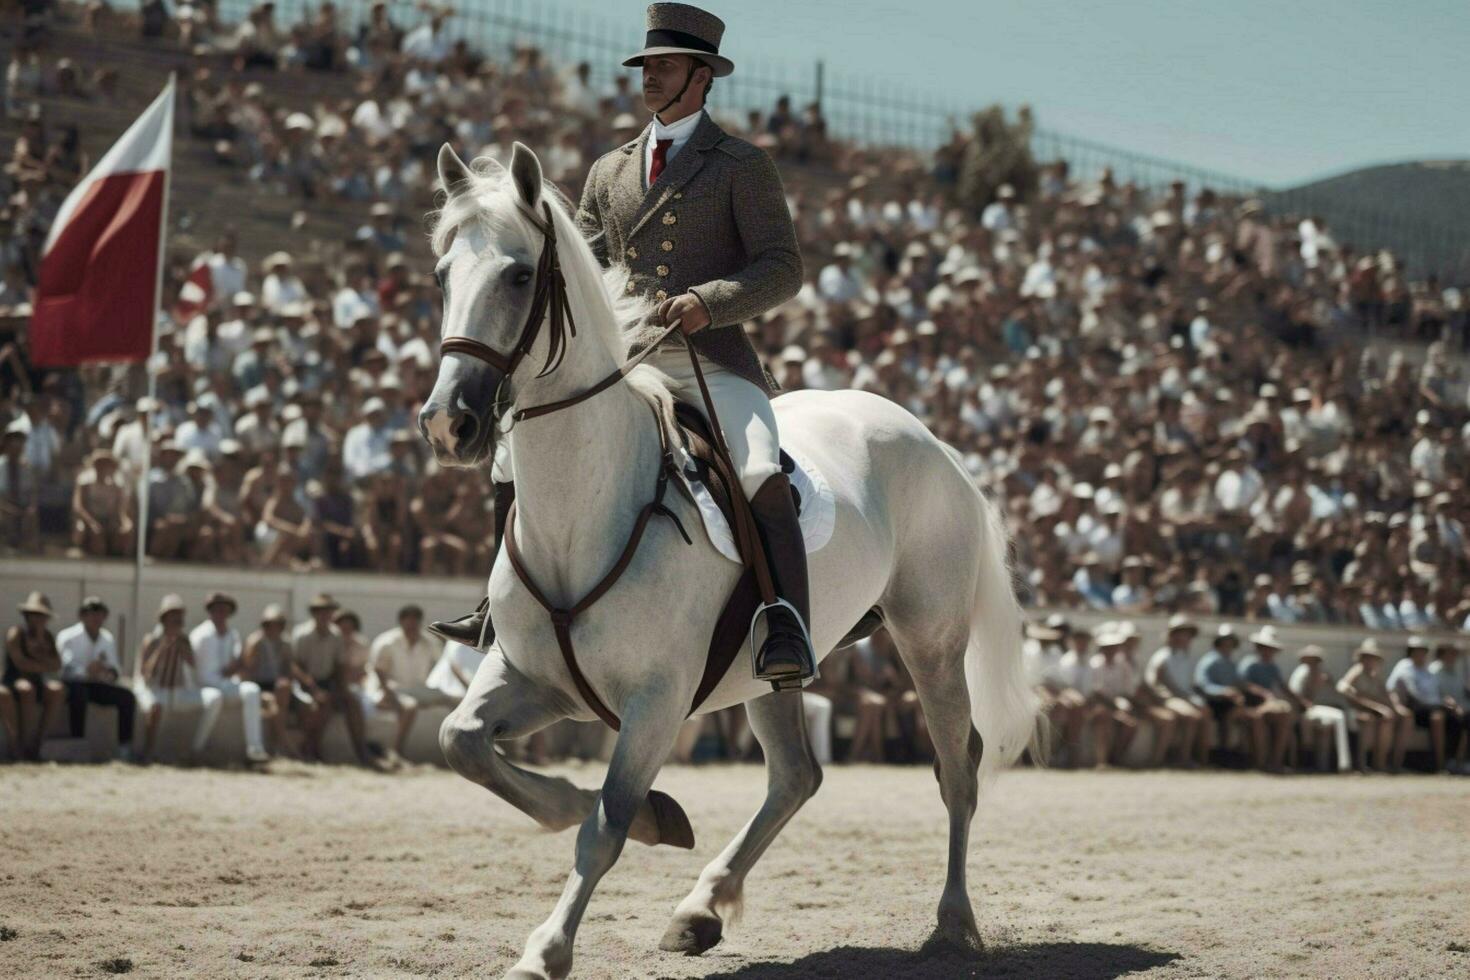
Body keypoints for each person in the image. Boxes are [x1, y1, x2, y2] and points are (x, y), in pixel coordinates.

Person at [433, 2, 814, 692]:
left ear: (701, 77)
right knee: (508, 455)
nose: (649, 77)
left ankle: (786, 619)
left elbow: (781, 267)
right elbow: (587, 264)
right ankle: (500, 608)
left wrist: (709, 302)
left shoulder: (741, 165)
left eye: (664, 66)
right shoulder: (611, 169)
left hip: (709, 360)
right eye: (645, 65)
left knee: (758, 468)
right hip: (625, 361)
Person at [136, 594, 223, 765]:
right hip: (155, 689)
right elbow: (146, 673)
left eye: (179, 617)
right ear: (164, 618)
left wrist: (181, 646)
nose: (177, 620)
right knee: (155, 707)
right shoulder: (152, 639)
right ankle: (148, 752)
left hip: (178, 691)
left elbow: (192, 665)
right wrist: (162, 648)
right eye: (173, 616)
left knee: (214, 697)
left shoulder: (184, 639)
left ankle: (196, 749)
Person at [188, 592, 269, 764]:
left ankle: (254, 749)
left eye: (225, 610)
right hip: (203, 685)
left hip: (225, 684)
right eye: (217, 610)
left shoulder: (233, 634)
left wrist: (239, 666)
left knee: (252, 691)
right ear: (210, 611)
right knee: (214, 698)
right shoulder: (200, 635)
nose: (221, 614)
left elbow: (236, 663)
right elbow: (194, 668)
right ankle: (197, 749)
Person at [290, 594, 371, 766]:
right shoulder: (302, 634)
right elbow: (295, 666)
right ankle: (311, 747)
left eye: (328, 612)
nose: (325, 615)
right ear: (314, 613)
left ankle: (362, 752)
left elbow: (338, 666)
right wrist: (311, 687)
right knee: (322, 704)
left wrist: (342, 689)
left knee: (352, 703)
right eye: (321, 612)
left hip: (327, 682)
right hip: (305, 683)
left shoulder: (336, 636)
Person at [55, 596, 137, 759]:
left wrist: (109, 673)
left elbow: (115, 668)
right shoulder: (68, 636)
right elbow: (64, 669)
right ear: (83, 616)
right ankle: (77, 744)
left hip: (97, 685)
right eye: (92, 614)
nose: (96, 618)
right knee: (80, 694)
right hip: (72, 685)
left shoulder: (107, 638)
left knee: (127, 697)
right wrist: (86, 672)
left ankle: (124, 748)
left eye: (100, 614)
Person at [369, 604, 451, 762]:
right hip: (392, 689)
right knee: (409, 706)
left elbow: (444, 663)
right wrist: (387, 692)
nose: (412, 625)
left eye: (415, 621)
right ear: (401, 622)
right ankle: (395, 751)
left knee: (457, 698)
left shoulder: (430, 642)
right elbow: (379, 670)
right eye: (409, 621)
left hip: (419, 689)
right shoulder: (386, 642)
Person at [1386, 636, 1461, 773]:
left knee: (1458, 720)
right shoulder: (1405, 666)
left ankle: (1453, 762)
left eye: (1423, 651)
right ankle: (1440, 765)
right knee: (1438, 718)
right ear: (1411, 651)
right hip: (1415, 708)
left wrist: (1450, 703)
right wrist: (1399, 707)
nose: (1421, 654)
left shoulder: (1428, 670)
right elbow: (1399, 690)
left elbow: (1439, 692)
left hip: (1433, 708)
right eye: (1417, 651)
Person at [4, 591, 64, 759]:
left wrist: (40, 648)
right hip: (13, 680)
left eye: (42, 615)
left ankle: (38, 744)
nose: (38, 619)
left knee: (57, 690)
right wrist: (43, 663)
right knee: (26, 690)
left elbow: (57, 664)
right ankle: (20, 745)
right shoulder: (16, 633)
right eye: (34, 615)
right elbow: (21, 663)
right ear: (27, 615)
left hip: (37, 681)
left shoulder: (48, 638)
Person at [1144, 614, 1209, 767]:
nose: (1185, 637)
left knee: (1206, 712)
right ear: (1173, 635)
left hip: (1183, 697)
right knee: (1192, 716)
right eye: (1181, 633)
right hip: (1168, 699)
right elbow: (1153, 682)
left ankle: (1204, 758)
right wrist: (1166, 696)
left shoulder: (1185, 657)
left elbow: (1188, 685)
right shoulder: (1162, 656)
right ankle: (1182, 758)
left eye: (1187, 634)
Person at [1335, 639, 1403, 773]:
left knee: (1387, 719)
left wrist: (1395, 707)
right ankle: (1361, 765)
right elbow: (1342, 688)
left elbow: (1387, 694)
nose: (1371, 660)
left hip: (1372, 710)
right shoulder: (1357, 671)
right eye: (1368, 657)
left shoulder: (1376, 674)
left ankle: (1380, 763)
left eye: (1374, 658)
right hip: (1354, 710)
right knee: (1367, 719)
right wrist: (1372, 706)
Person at [1237, 626, 1298, 772]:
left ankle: (1276, 761)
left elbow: (1283, 686)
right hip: (1250, 704)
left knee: (1284, 716)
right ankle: (1261, 762)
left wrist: (1301, 701)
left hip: (1266, 705)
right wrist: (1264, 694)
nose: (1269, 652)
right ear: (1259, 648)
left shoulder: (1273, 667)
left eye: (1271, 648)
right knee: (1259, 719)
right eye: (1266, 648)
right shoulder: (1249, 663)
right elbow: (1243, 684)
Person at [1084, 626, 1142, 767]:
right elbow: (1095, 693)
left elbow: (1126, 691)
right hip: (1097, 705)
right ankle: (1102, 761)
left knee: (1131, 725)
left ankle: (1116, 758)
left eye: (1113, 647)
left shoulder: (1123, 665)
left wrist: (1121, 706)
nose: (1110, 650)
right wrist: (1116, 708)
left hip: (1116, 704)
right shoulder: (1094, 664)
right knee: (1103, 718)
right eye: (1107, 647)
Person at [241, 604, 295, 755]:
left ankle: (278, 746)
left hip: (277, 685)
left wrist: (285, 681)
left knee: (282, 692)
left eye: (277, 625)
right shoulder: (255, 642)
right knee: (272, 704)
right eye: (270, 625)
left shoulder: (285, 643)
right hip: (258, 685)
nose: (273, 629)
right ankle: (284, 744)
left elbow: (288, 669)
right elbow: (247, 671)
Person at [1287, 644, 1350, 773]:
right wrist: (1308, 702)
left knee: (1327, 725)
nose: (1313, 662)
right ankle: (1307, 762)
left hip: (1318, 710)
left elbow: (1335, 691)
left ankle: (1328, 765)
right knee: (1312, 725)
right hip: (1301, 711)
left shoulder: (1321, 673)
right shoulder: (1302, 672)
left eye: (1315, 659)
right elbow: (1297, 697)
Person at [1427, 640, 1467, 774]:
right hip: (1440, 708)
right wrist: (1454, 707)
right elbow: (1438, 695)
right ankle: (1447, 762)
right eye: (1451, 653)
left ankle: (1460, 761)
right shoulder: (1434, 670)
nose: (1454, 656)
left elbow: (1462, 692)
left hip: (1458, 708)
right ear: (1442, 654)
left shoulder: (1456, 670)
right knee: (1457, 721)